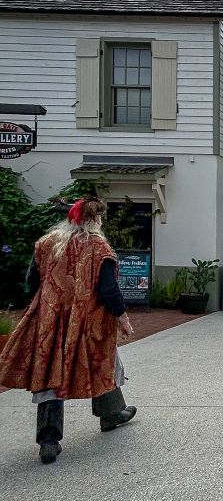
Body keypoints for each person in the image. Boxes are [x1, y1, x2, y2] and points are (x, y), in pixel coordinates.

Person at [0, 198, 137, 465]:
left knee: (52, 372)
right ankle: (110, 414)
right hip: (88, 323)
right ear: (95, 220)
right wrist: (122, 318)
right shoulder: (99, 247)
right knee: (101, 362)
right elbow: (108, 290)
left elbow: (31, 283)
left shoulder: (47, 243)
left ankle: (49, 440)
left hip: (50, 321)